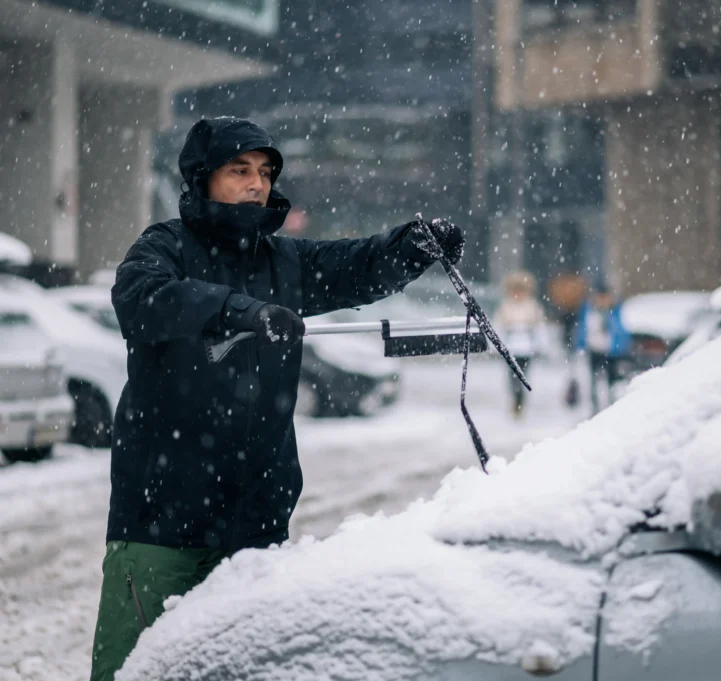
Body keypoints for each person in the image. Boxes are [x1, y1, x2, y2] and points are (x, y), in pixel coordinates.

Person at [90, 117, 464, 681]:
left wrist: (413, 246)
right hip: (159, 525)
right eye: (239, 170)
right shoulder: (164, 246)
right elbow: (144, 300)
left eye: (264, 172)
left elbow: (354, 264)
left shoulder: (283, 262)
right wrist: (241, 311)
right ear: (200, 178)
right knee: (135, 674)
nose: (256, 184)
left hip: (254, 529)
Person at [494, 271, 547, 416]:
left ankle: (520, 400)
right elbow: (498, 327)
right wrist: (497, 346)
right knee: (512, 377)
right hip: (511, 348)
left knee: (523, 375)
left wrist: (541, 345)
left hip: (527, 347)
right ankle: (516, 398)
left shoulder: (533, 307)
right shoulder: (506, 306)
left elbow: (539, 327)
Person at [574, 283, 630, 415]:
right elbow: (582, 329)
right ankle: (595, 407)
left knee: (611, 381)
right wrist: (580, 345)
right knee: (593, 380)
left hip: (611, 352)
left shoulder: (614, 312)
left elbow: (621, 331)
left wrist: (622, 347)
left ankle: (612, 405)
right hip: (594, 350)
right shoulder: (588, 311)